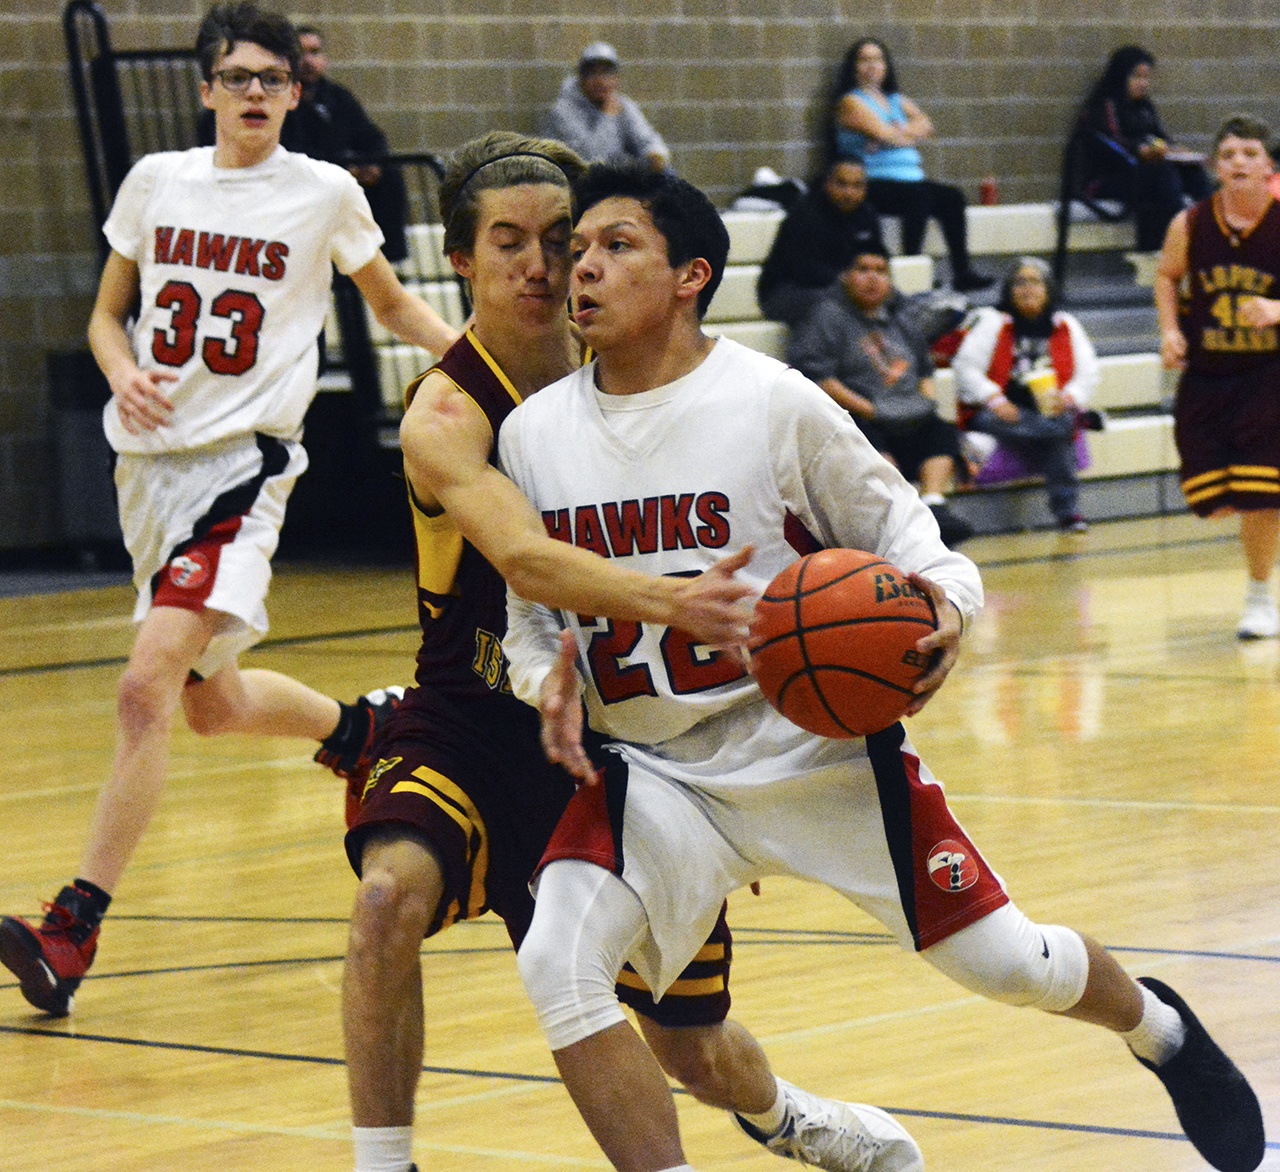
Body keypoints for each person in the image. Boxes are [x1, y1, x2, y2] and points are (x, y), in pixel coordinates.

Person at [498, 163, 1266, 1172]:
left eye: (614, 246)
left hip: (810, 746)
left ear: (689, 275)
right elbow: (528, 621)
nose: (581, 268)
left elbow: (917, 540)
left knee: (1009, 962)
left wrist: (944, 607)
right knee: (556, 960)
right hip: (656, 773)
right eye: (577, 249)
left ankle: (1156, 1027)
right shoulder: (531, 432)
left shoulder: (771, 403)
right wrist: (540, 675)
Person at [341, 131, 923, 1172]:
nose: (539, 264)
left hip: (622, 744)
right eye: (507, 241)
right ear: (462, 257)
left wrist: (722, 783)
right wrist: (677, 602)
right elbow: (524, 557)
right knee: (387, 895)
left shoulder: (639, 372)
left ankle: (786, 1114)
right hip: (472, 715)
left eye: (559, 240)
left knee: (690, 1046)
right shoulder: (445, 410)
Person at [0, 2, 459, 1019]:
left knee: (144, 686)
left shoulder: (324, 192)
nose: (255, 92)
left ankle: (72, 927)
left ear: (297, 93)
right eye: (237, 75)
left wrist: (482, 366)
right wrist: (120, 373)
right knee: (209, 703)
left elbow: (389, 303)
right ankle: (361, 727)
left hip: (242, 469)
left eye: (273, 78)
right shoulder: (156, 181)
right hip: (147, 469)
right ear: (206, 88)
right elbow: (106, 314)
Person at [1155, 114, 1280, 641]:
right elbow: (1166, 274)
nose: (1238, 163)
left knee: (1260, 493)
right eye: (1228, 155)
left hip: (1267, 376)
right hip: (1206, 376)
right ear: (1215, 167)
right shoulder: (1190, 224)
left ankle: (1259, 597)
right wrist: (1167, 330)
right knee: (1213, 500)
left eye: (1249, 153)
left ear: (1269, 166)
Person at [785, 243, 975, 547]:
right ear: (845, 276)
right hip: (861, 415)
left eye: (881, 271)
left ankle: (935, 506)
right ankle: (898, 516)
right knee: (864, 438)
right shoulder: (826, 316)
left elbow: (925, 369)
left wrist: (924, 403)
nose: (873, 278)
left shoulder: (902, 316)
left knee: (940, 428)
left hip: (908, 412)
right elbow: (818, 378)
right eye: (863, 270)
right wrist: (869, 409)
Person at [197, 24, 409, 260]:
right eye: (301, 54)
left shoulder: (338, 96)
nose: (309, 61)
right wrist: (343, 169)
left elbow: (371, 136)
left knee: (389, 176)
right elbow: (289, 150)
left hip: (339, 177)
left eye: (315, 52)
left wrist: (373, 165)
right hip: (295, 184)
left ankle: (390, 260)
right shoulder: (275, 101)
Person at [831, 38, 991, 292]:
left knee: (952, 197)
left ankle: (962, 272)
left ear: (886, 66)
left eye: (878, 59)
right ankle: (912, 270)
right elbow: (885, 134)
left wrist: (897, 133)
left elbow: (927, 126)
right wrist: (898, 134)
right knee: (919, 197)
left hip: (910, 180)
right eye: (865, 59)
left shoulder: (895, 100)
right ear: (854, 66)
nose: (872, 65)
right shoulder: (851, 102)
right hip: (872, 182)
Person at [951, 258, 1099, 532]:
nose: (1027, 289)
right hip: (996, 412)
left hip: (1046, 410)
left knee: (1056, 429)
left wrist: (1068, 398)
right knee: (1061, 430)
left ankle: (1067, 513)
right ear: (1009, 290)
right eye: (1020, 282)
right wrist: (996, 401)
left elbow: (1088, 371)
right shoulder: (993, 322)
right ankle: (1068, 510)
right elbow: (965, 368)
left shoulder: (1066, 325)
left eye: (1035, 282)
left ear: (1049, 289)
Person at [1083, 46, 1211, 253]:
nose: (1143, 84)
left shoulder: (1144, 107)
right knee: (1161, 177)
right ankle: (1169, 246)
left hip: (1145, 173)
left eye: (1146, 78)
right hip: (1111, 177)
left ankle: (1210, 234)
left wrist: (1177, 152)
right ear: (1121, 76)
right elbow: (1109, 143)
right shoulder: (1105, 105)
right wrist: (1140, 150)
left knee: (1193, 172)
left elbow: (1160, 138)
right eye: (1136, 77)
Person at [756, 158, 885, 328]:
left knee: (895, 303)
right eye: (842, 184)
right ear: (827, 184)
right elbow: (803, 271)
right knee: (832, 307)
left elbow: (879, 257)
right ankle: (809, 355)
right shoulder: (804, 214)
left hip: (847, 289)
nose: (849, 193)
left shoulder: (867, 215)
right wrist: (850, 283)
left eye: (857, 186)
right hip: (785, 293)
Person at [541, 42, 670, 173]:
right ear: (581, 78)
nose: (600, 81)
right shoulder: (563, 112)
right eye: (593, 74)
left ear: (616, 79)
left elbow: (646, 137)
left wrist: (656, 155)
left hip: (614, 176)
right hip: (579, 180)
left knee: (666, 174)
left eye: (606, 74)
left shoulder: (622, 104)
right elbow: (591, 158)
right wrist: (607, 117)